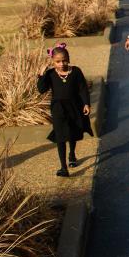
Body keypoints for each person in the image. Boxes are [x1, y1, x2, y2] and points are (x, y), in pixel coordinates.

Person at [37, 43, 92, 177]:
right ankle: (63, 168)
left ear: (68, 58)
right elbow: (41, 89)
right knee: (61, 136)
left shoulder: (76, 71)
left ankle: (72, 155)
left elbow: (82, 88)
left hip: (74, 106)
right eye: (58, 62)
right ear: (53, 61)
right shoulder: (50, 74)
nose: (61, 64)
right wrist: (41, 74)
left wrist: (86, 103)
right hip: (58, 109)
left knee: (72, 132)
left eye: (64, 60)